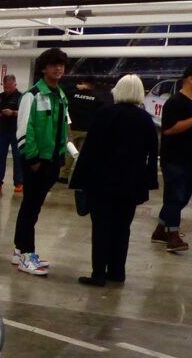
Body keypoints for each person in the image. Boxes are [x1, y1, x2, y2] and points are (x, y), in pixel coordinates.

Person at [68, 74, 159, 287]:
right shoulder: (145, 119)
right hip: (130, 184)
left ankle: (98, 273)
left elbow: (89, 150)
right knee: (122, 228)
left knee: (101, 228)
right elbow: (152, 153)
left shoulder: (104, 114)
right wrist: (149, 182)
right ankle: (118, 271)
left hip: (102, 181)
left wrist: (79, 180)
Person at [11, 47, 76, 276]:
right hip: (36, 162)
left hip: (53, 161)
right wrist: (33, 159)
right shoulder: (32, 95)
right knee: (30, 207)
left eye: (61, 65)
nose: (58, 68)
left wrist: (67, 153)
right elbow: (23, 130)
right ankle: (27, 255)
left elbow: (64, 128)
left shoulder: (60, 96)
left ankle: (20, 250)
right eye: (53, 64)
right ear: (43, 68)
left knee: (33, 206)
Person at [152, 63, 192, 253]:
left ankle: (161, 229)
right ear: (190, 78)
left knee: (182, 197)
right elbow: (169, 129)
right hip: (174, 157)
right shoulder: (175, 102)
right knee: (175, 195)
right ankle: (172, 235)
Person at [60, 76, 112, 183]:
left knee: (69, 153)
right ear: (93, 85)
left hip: (72, 129)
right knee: (83, 156)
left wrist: (75, 86)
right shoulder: (97, 98)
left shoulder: (72, 93)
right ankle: (79, 177)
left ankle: (63, 176)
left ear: (83, 82)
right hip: (88, 130)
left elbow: (60, 90)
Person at [0, 74, 24, 194]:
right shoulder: (0, 97)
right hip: (2, 132)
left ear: (15, 84)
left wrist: (13, 113)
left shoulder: (21, 97)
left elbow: (25, 113)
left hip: (16, 132)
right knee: (1, 157)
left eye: (9, 86)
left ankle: (19, 183)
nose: (7, 89)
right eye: (5, 87)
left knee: (17, 158)